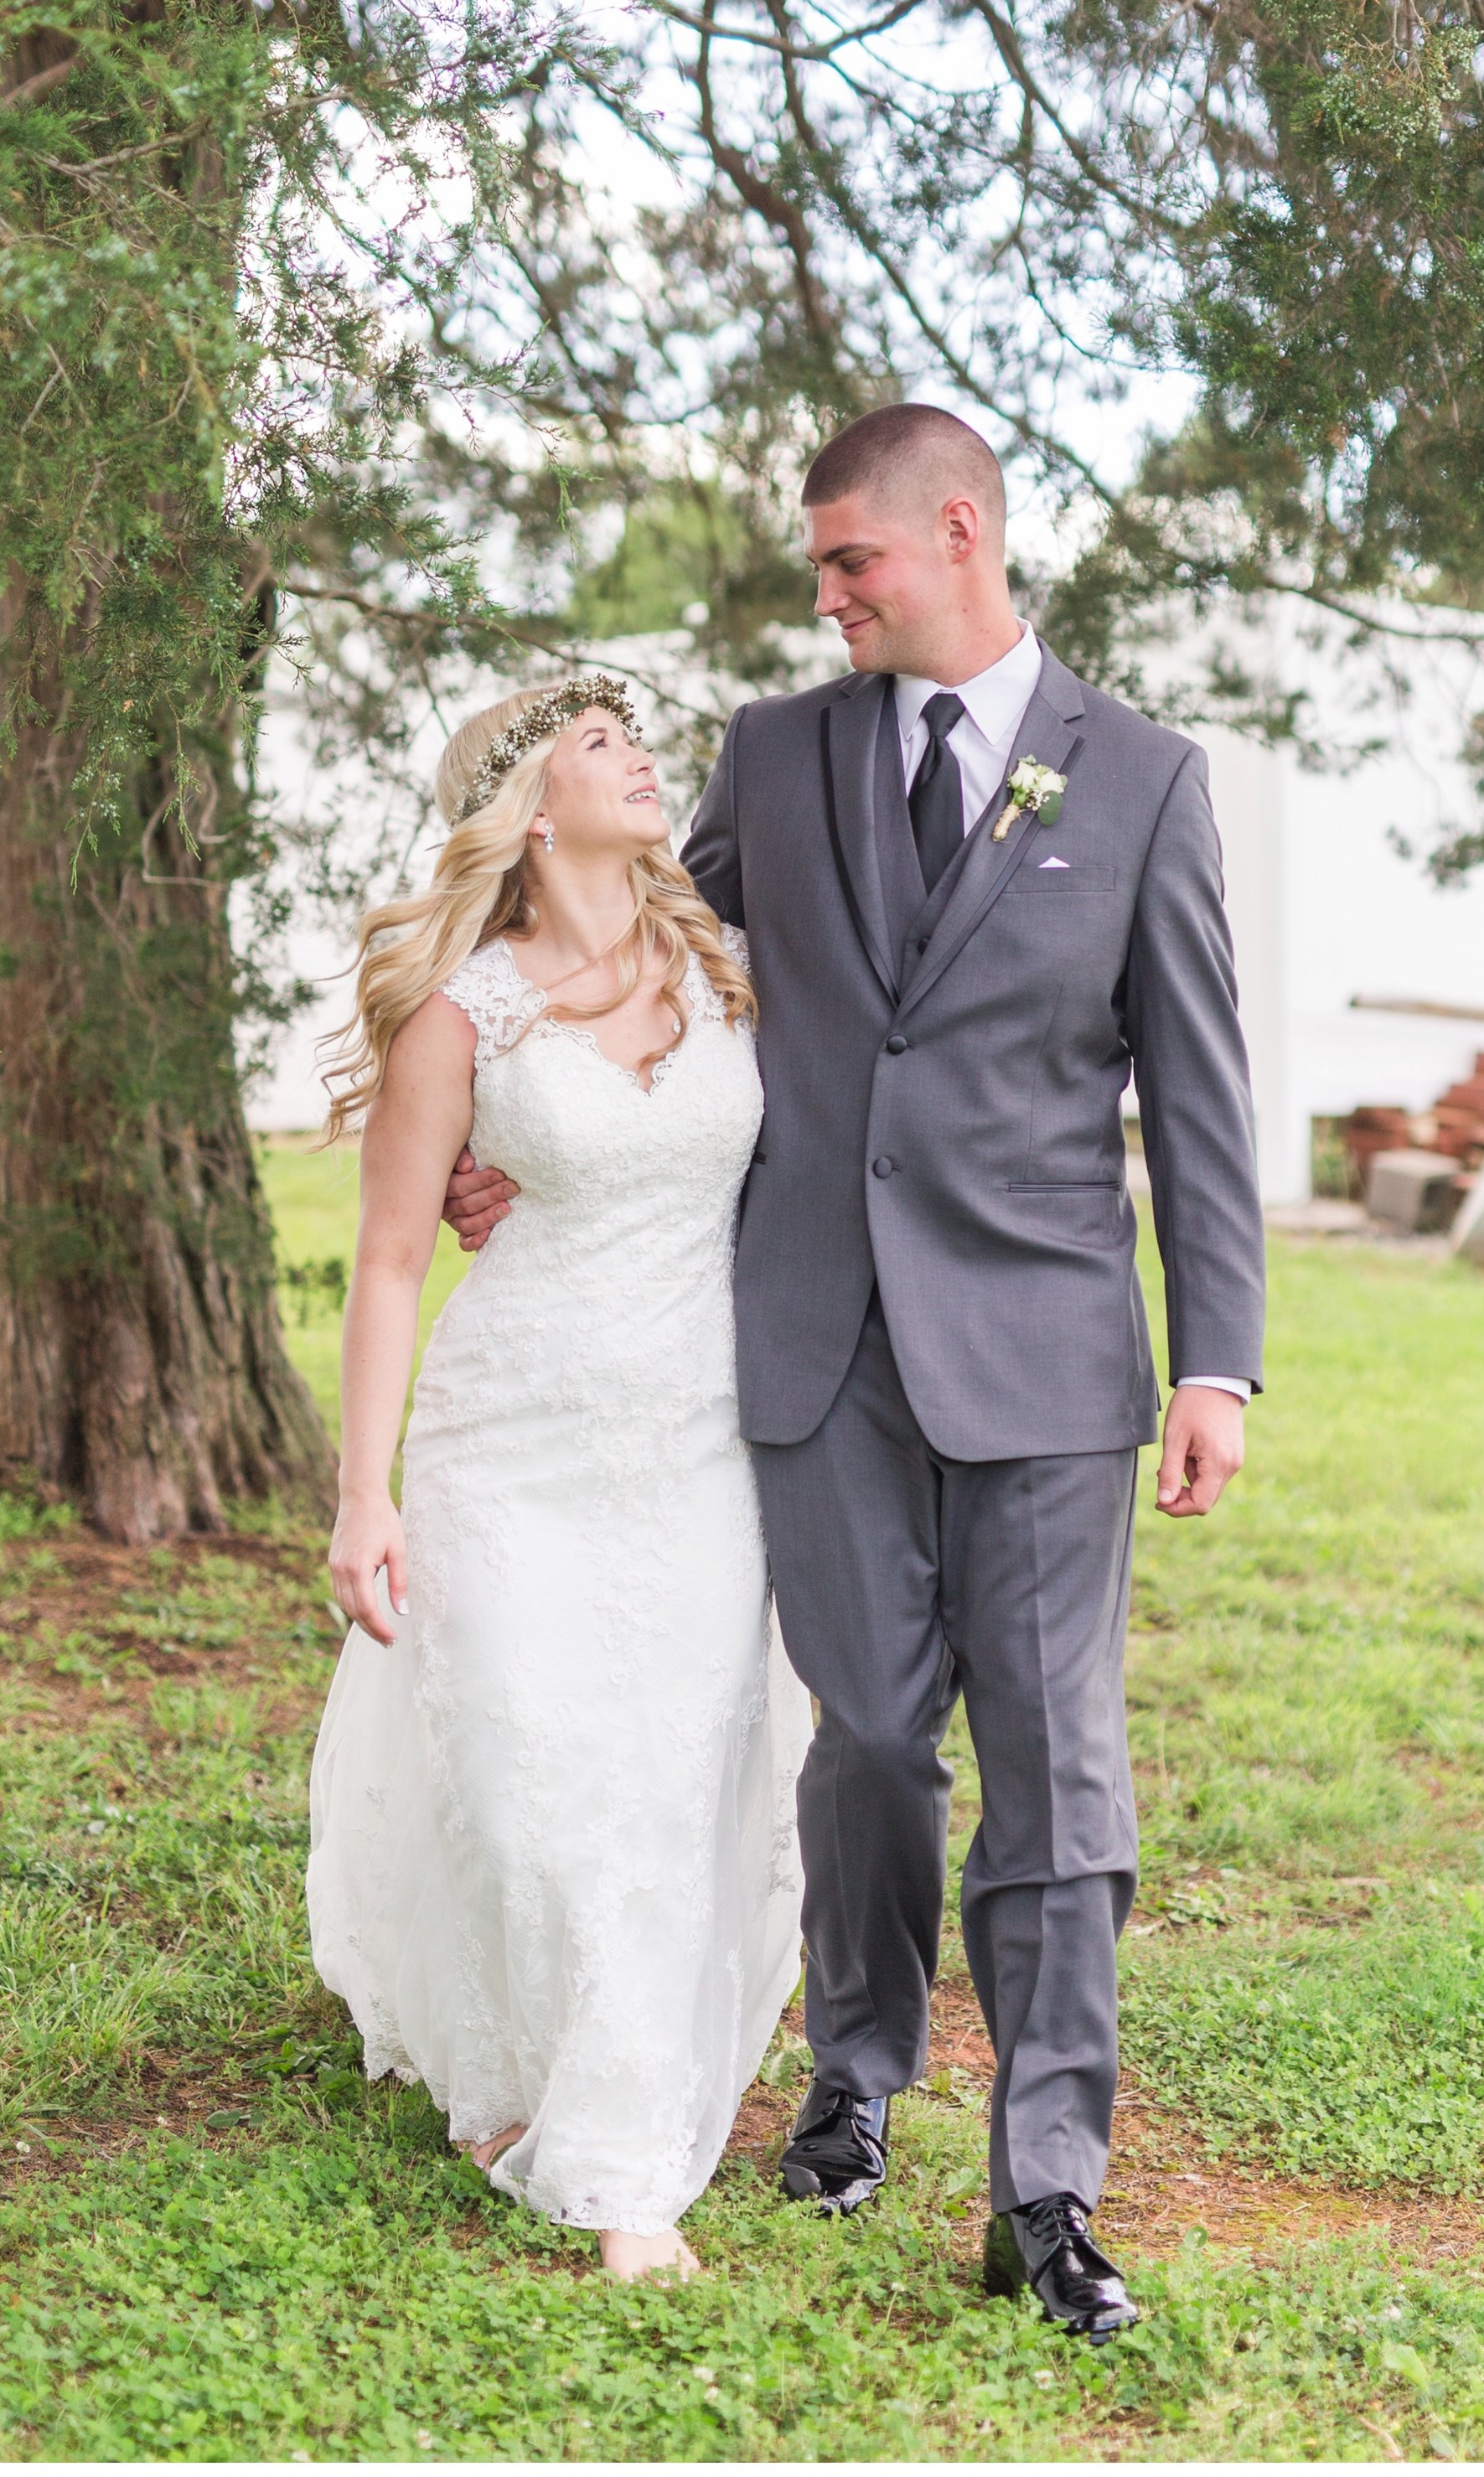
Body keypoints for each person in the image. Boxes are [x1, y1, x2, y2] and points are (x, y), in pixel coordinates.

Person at [446, 406, 1265, 2340]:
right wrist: (521, 1110)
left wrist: (1216, 1359)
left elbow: (1200, 1086)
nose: (821, 600)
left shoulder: (1139, 779)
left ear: (954, 533)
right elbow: (661, 949)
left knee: (1058, 1781)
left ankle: (1045, 2189)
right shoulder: (779, 755)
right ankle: (859, 2067)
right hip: (808, 1342)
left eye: (847, 565)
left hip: (1052, 1355)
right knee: (872, 1742)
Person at [306, 673, 809, 2283]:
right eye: (601, 745)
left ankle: (608, 2144)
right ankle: (563, 2106)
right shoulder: (465, 1012)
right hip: (510, 1440)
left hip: (701, 1442)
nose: (642, 758)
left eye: (636, 738)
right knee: (531, 1779)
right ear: (524, 807)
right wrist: (361, 1494)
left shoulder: (729, 968)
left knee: (666, 1779)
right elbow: (392, 1256)